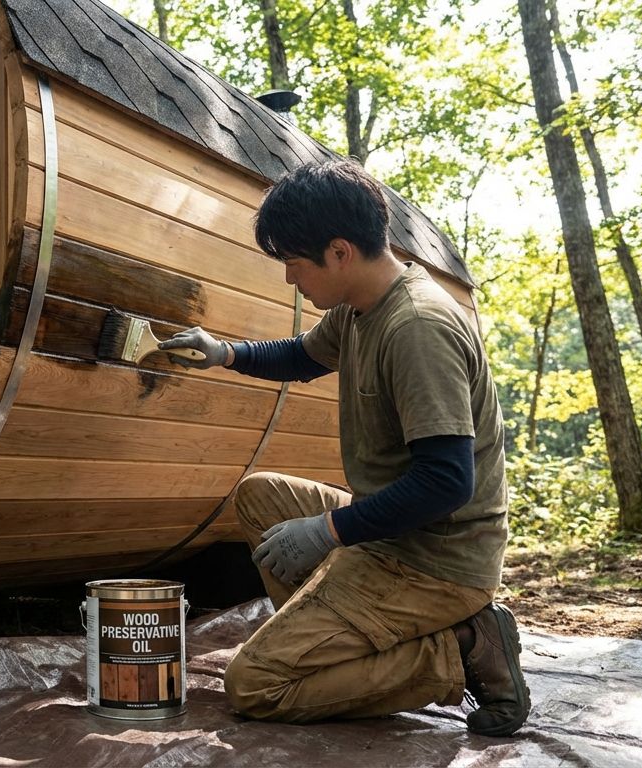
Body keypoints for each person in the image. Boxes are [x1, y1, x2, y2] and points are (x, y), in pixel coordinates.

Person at [158, 159, 529, 736]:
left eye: (294, 263)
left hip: (436, 560)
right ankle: (333, 640)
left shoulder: (417, 327)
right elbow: (301, 356)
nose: (290, 279)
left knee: (255, 685)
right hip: (390, 532)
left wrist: (329, 531)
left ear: (339, 252)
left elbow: (446, 483)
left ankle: (460, 648)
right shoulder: (359, 309)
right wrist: (224, 353)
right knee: (261, 496)